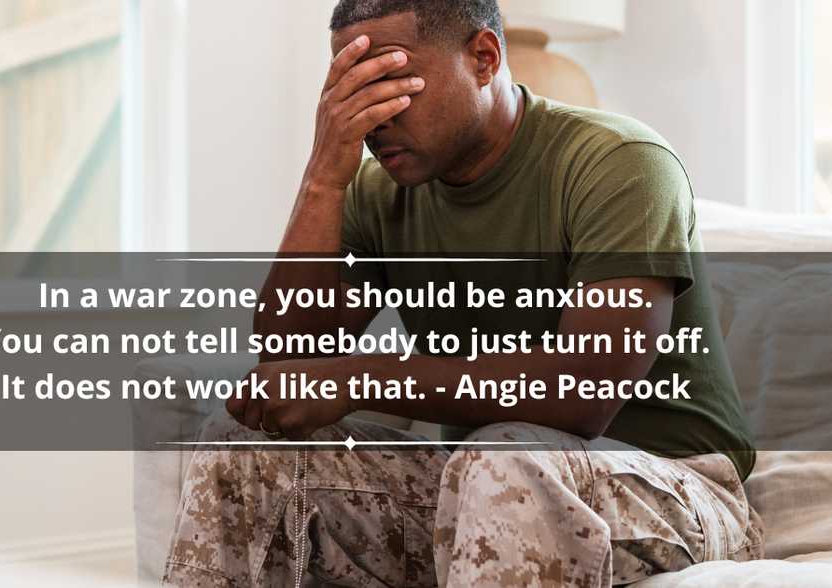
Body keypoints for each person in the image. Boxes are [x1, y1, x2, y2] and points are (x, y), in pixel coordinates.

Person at [163, 1, 763, 586]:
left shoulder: (618, 164)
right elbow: (288, 363)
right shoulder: (376, 193)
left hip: (673, 490)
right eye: (353, 92)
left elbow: (586, 392)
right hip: (481, 488)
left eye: (393, 84)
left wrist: (361, 376)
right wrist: (323, 177)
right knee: (243, 443)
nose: (374, 118)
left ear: (483, 57)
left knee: (504, 458)